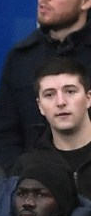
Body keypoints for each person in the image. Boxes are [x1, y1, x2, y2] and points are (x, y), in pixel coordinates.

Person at [0, 0, 91, 170]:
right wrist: (21, 182)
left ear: (86, 0)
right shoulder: (21, 57)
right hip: (34, 190)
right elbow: (4, 136)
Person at [31, 57, 91, 197]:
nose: (60, 102)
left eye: (70, 91)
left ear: (88, 99)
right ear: (40, 106)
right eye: (49, 94)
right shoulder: (29, 167)